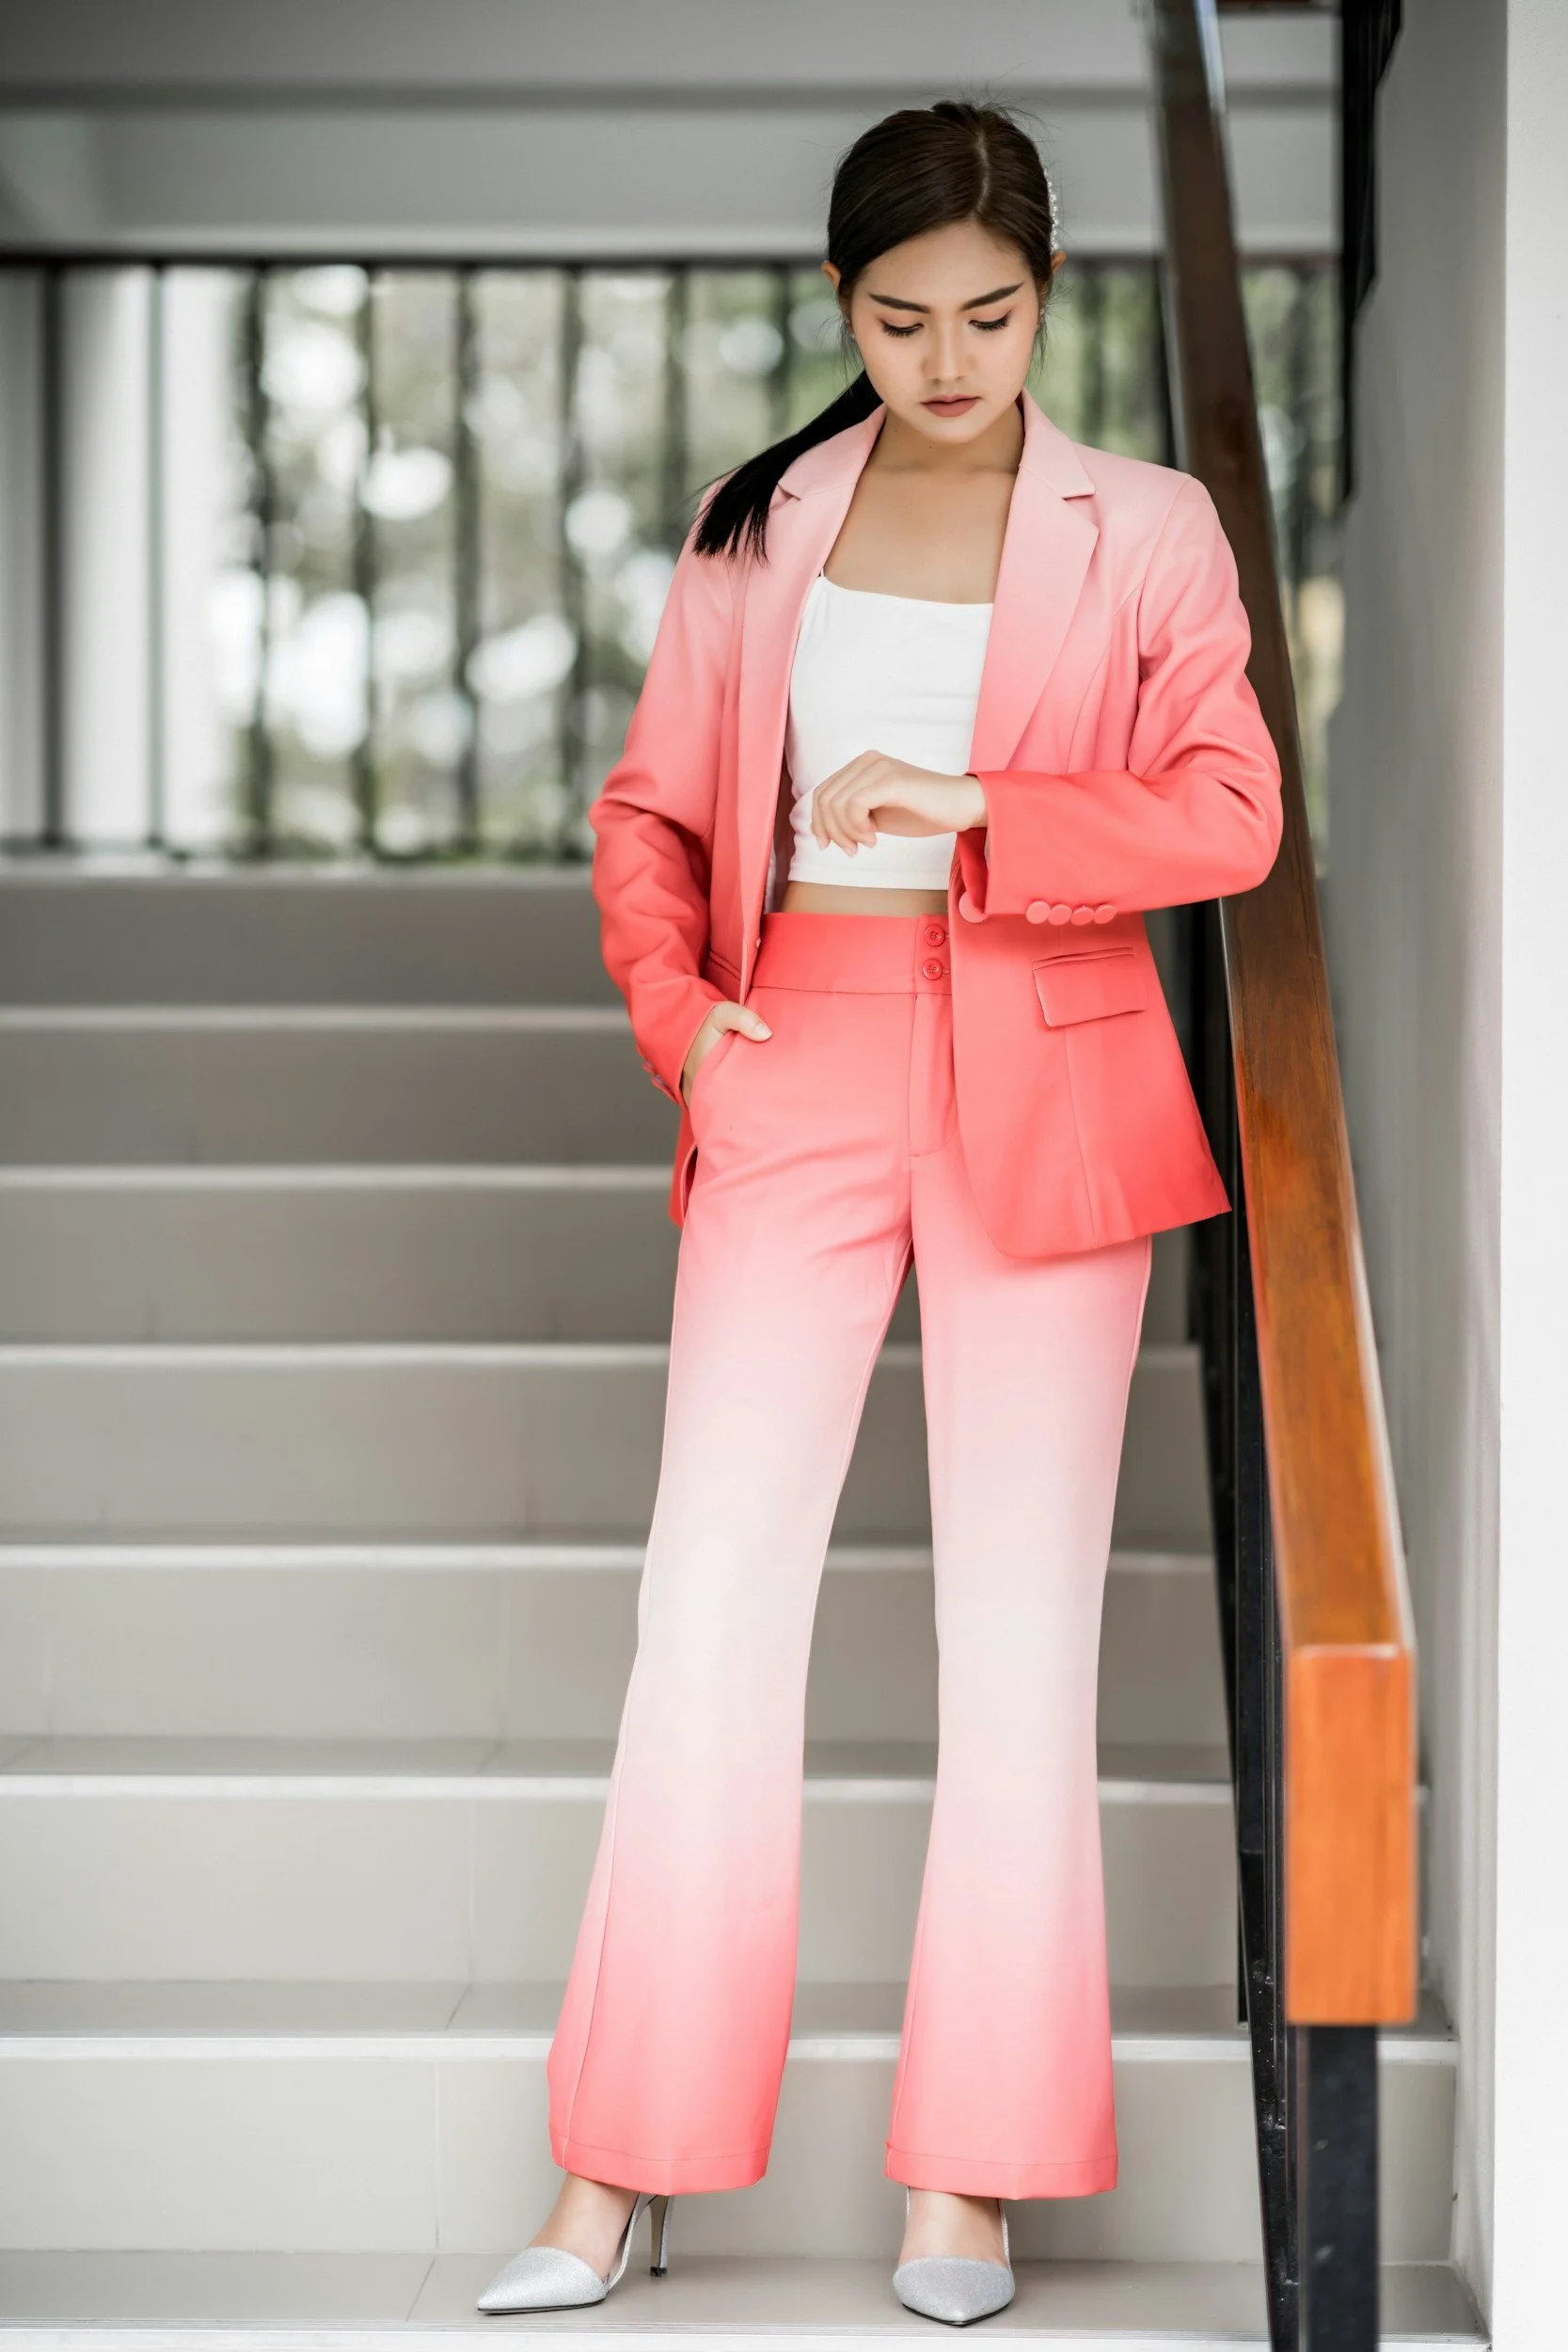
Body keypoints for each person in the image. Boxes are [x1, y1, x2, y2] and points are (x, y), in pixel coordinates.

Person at [478, 98, 1282, 2328]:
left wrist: (976, 798)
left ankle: (965, 2179)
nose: (946, 359)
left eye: (989, 316)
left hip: (1048, 1061)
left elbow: (1228, 808)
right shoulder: (762, 521)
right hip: (797, 1049)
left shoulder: (1146, 526)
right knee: (707, 1603)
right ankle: (617, 2159)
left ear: (1046, 296)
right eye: (900, 317)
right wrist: (687, 1021)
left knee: (1016, 1630)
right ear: (842, 304)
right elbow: (651, 813)